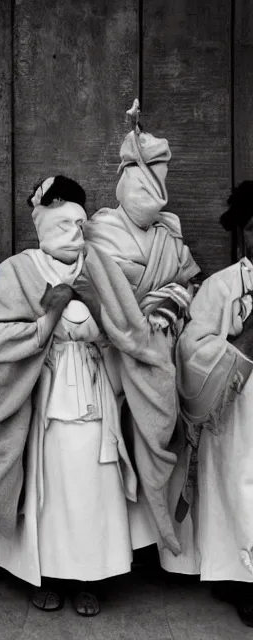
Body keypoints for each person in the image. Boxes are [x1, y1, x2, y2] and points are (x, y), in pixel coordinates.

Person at [0, 175, 137, 616]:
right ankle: (50, 574)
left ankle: (91, 576)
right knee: (51, 487)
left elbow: (130, 333)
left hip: (95, 394)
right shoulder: (18, 270)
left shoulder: (101, 268)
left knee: (93, 486)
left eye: (80, 224)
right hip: (45, 398)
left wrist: (98, 311)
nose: (74, 233)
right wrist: (48, 316)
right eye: (64, 224)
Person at [83, 107, 201, 560]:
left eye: (159, 176)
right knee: (112, 457)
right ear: (125, 176)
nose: (150, 187)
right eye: (143, 174)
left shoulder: (171, 236)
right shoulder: (97, 229)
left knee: (157, 440)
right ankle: (111, 555)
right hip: (108, 358)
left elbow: (189, 282)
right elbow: (88, 286)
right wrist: (128, 314)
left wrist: (168, 299)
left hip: (160, 353)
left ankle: (155, 551)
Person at [173, 180, 253, 627]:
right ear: (243, 232)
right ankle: (244, 579)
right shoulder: (223, 287)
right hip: (238, 407)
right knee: (241, 483)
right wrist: (240, 341)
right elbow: (190, 349)